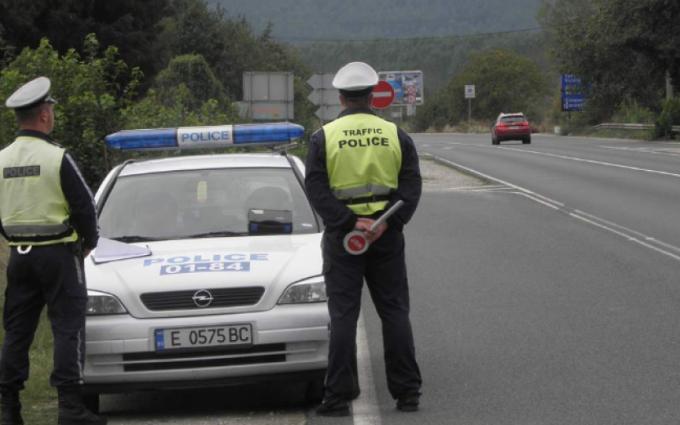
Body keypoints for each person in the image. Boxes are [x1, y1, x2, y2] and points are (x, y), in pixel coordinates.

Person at [305, 62, 423, 416]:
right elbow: (411, 185)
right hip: (385, 237)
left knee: (343, 315)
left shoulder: (323, 137)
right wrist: (388, 222)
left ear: (340, 97)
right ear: (373, 96)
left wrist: (347, 221)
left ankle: (337, 398)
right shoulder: (394, 134)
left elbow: (315, 187)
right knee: (394, 312)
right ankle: (407, 395)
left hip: (345, 239)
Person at [0, 77, 106, 425]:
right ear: (45, 115)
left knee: (16, 332)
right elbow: (86, 207)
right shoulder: (56, 157)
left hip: (20, 257)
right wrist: (88, 243)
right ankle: (70, 408)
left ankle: (8, 407)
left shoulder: (1, 160)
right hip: (59, 255)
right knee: (67, 328)